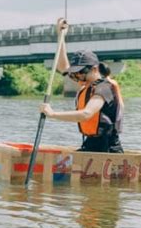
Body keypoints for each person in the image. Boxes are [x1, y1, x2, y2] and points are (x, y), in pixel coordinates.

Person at [39, 18, 124, 153]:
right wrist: (61, 37)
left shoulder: (104, 88)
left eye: (80, 72)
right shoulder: (87, 83)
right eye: (75, 72)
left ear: (94, 69)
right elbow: (63, 67)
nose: (77, 76)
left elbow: (86, 114)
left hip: (107, 149)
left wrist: (53, 114)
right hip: (90, 144)